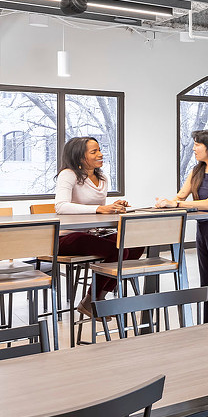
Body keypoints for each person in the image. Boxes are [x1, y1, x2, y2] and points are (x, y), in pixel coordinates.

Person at [156, 130, 208, 322]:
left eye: (197, 145)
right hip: (204, 228)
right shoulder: (197, 171)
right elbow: (180, 196)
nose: (194, 148)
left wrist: (176, 204)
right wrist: (165, 202)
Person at [54, 136, 143, 317]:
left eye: (99, 150)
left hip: (92, 235)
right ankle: (95, 298)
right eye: (94, 151)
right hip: (66, 238)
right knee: (118, 251)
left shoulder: (101, 177)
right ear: (80, 157)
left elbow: (96, 209)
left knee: (134, 244)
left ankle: (94, 297)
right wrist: (100, 208)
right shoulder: (68, 174)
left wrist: (114, 206)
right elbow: (61, 206)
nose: (100, 154)